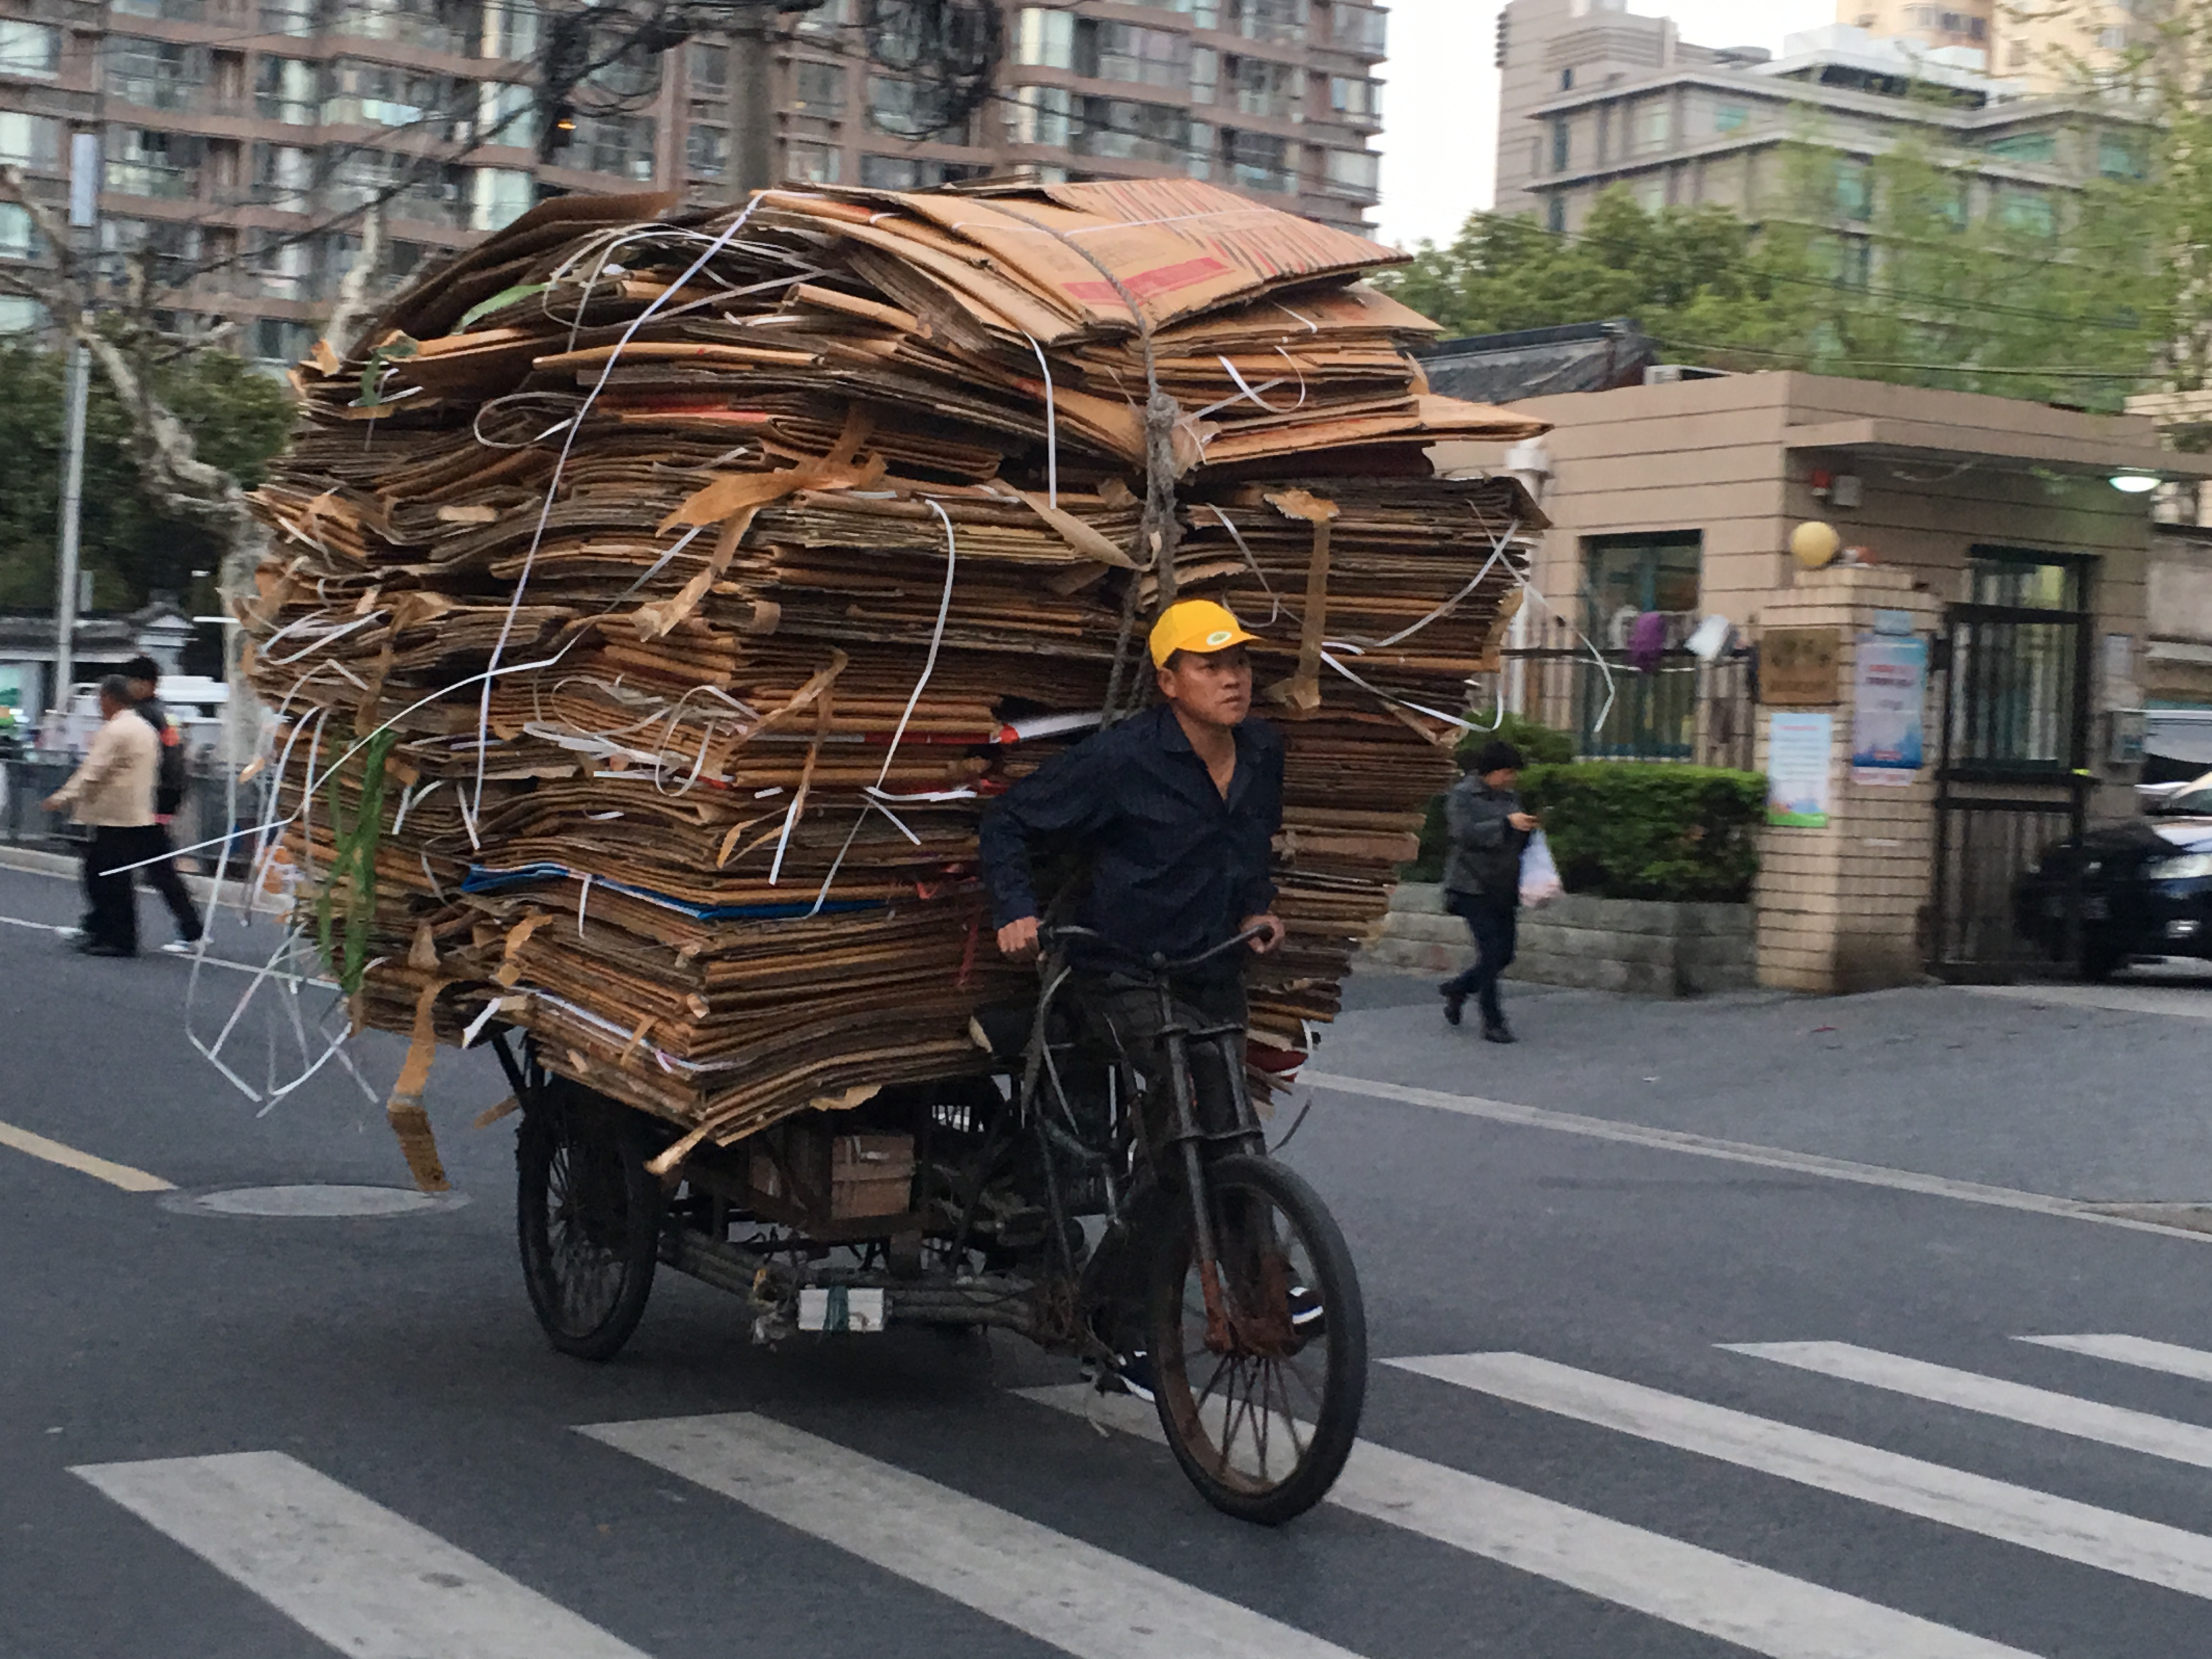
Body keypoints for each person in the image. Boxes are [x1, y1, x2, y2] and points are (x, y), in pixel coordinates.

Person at [978, 597, 1286, 1396]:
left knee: (1230, 1135)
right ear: (1168, 681)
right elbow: (1008, 823)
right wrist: (1015, 912)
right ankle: (1121, 1318)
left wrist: (1257, 906)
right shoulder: (1122, 760)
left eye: (1240, 664)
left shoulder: (1261, 751)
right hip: (1121, 971)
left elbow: (1249, 845)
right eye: (1211, 666)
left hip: (1214, 968)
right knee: (1202, 1118)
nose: (1233, 679)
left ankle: (1257, 1292)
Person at [45, 675, 161, 958]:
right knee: (110, 876)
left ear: (109, 699)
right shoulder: (142, 727)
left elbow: (92, 771)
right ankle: (104, 930)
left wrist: (62, 797)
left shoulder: (116, 730)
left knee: (105, 878)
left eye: (100, 699)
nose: (99, 706)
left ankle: (117, 937)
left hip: (115, 814)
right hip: (133, 812)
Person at [1438, 737, 1539, 1043]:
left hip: (1502, 885)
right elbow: (1463, 833)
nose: (1511, 779)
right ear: (1491, 771)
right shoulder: (1462, 795)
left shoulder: (1510, 797)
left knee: (1505, 954)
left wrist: (1527, 830)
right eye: (1507, 772)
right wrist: (1506, 824)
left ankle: (1459, 988)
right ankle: (1493, 1021)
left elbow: (1513, 838)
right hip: (1470, 886)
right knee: (1491, 950)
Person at [120, 656, 205, 954]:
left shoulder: (147, 716)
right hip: (158, 798)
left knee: (156, 869)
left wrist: (162, 802)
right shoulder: (164, 714)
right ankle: (190, 928)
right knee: (152, 868)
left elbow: (167, 763)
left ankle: (192, 929)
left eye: (131, 681)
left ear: (145, 684)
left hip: (149, 799)